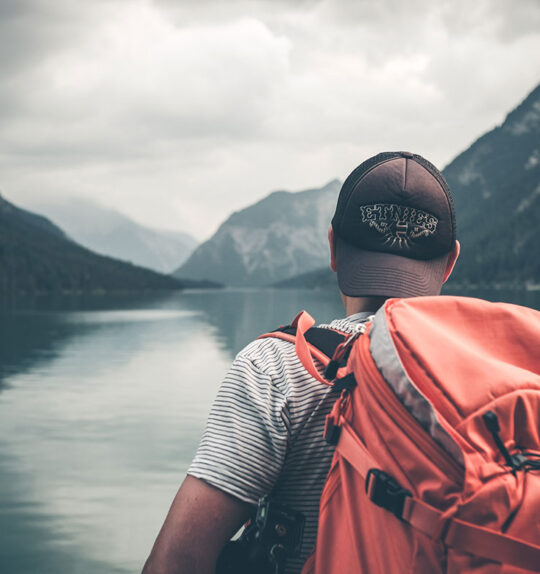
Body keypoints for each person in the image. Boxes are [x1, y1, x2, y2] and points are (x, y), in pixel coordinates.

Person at [142, 151, 460, 574]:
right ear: (449, 263)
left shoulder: (275, 368)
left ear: (333, 248)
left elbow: (176, 562)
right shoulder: (502, 377)